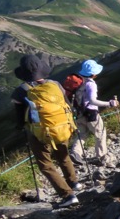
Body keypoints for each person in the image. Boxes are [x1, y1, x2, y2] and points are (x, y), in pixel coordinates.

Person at [11, 54, 80, 208]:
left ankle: (67, 195)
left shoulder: (22, 90)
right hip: (62, 127)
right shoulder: (55, 84)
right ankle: (74, 182)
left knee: (45, 164)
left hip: (38, 132)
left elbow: (19, 114)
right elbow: (68, 104)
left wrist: (20, 126)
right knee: (63, 155)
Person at [70, 59, 118, 167]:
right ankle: (102, 156)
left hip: (78, 112)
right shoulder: (91, 84)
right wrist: (109, 103)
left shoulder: (78, 81)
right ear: (93, 73)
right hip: (91, 113)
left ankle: (76, 152)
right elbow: (92, 100)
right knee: (100, 133)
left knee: (82, 133)